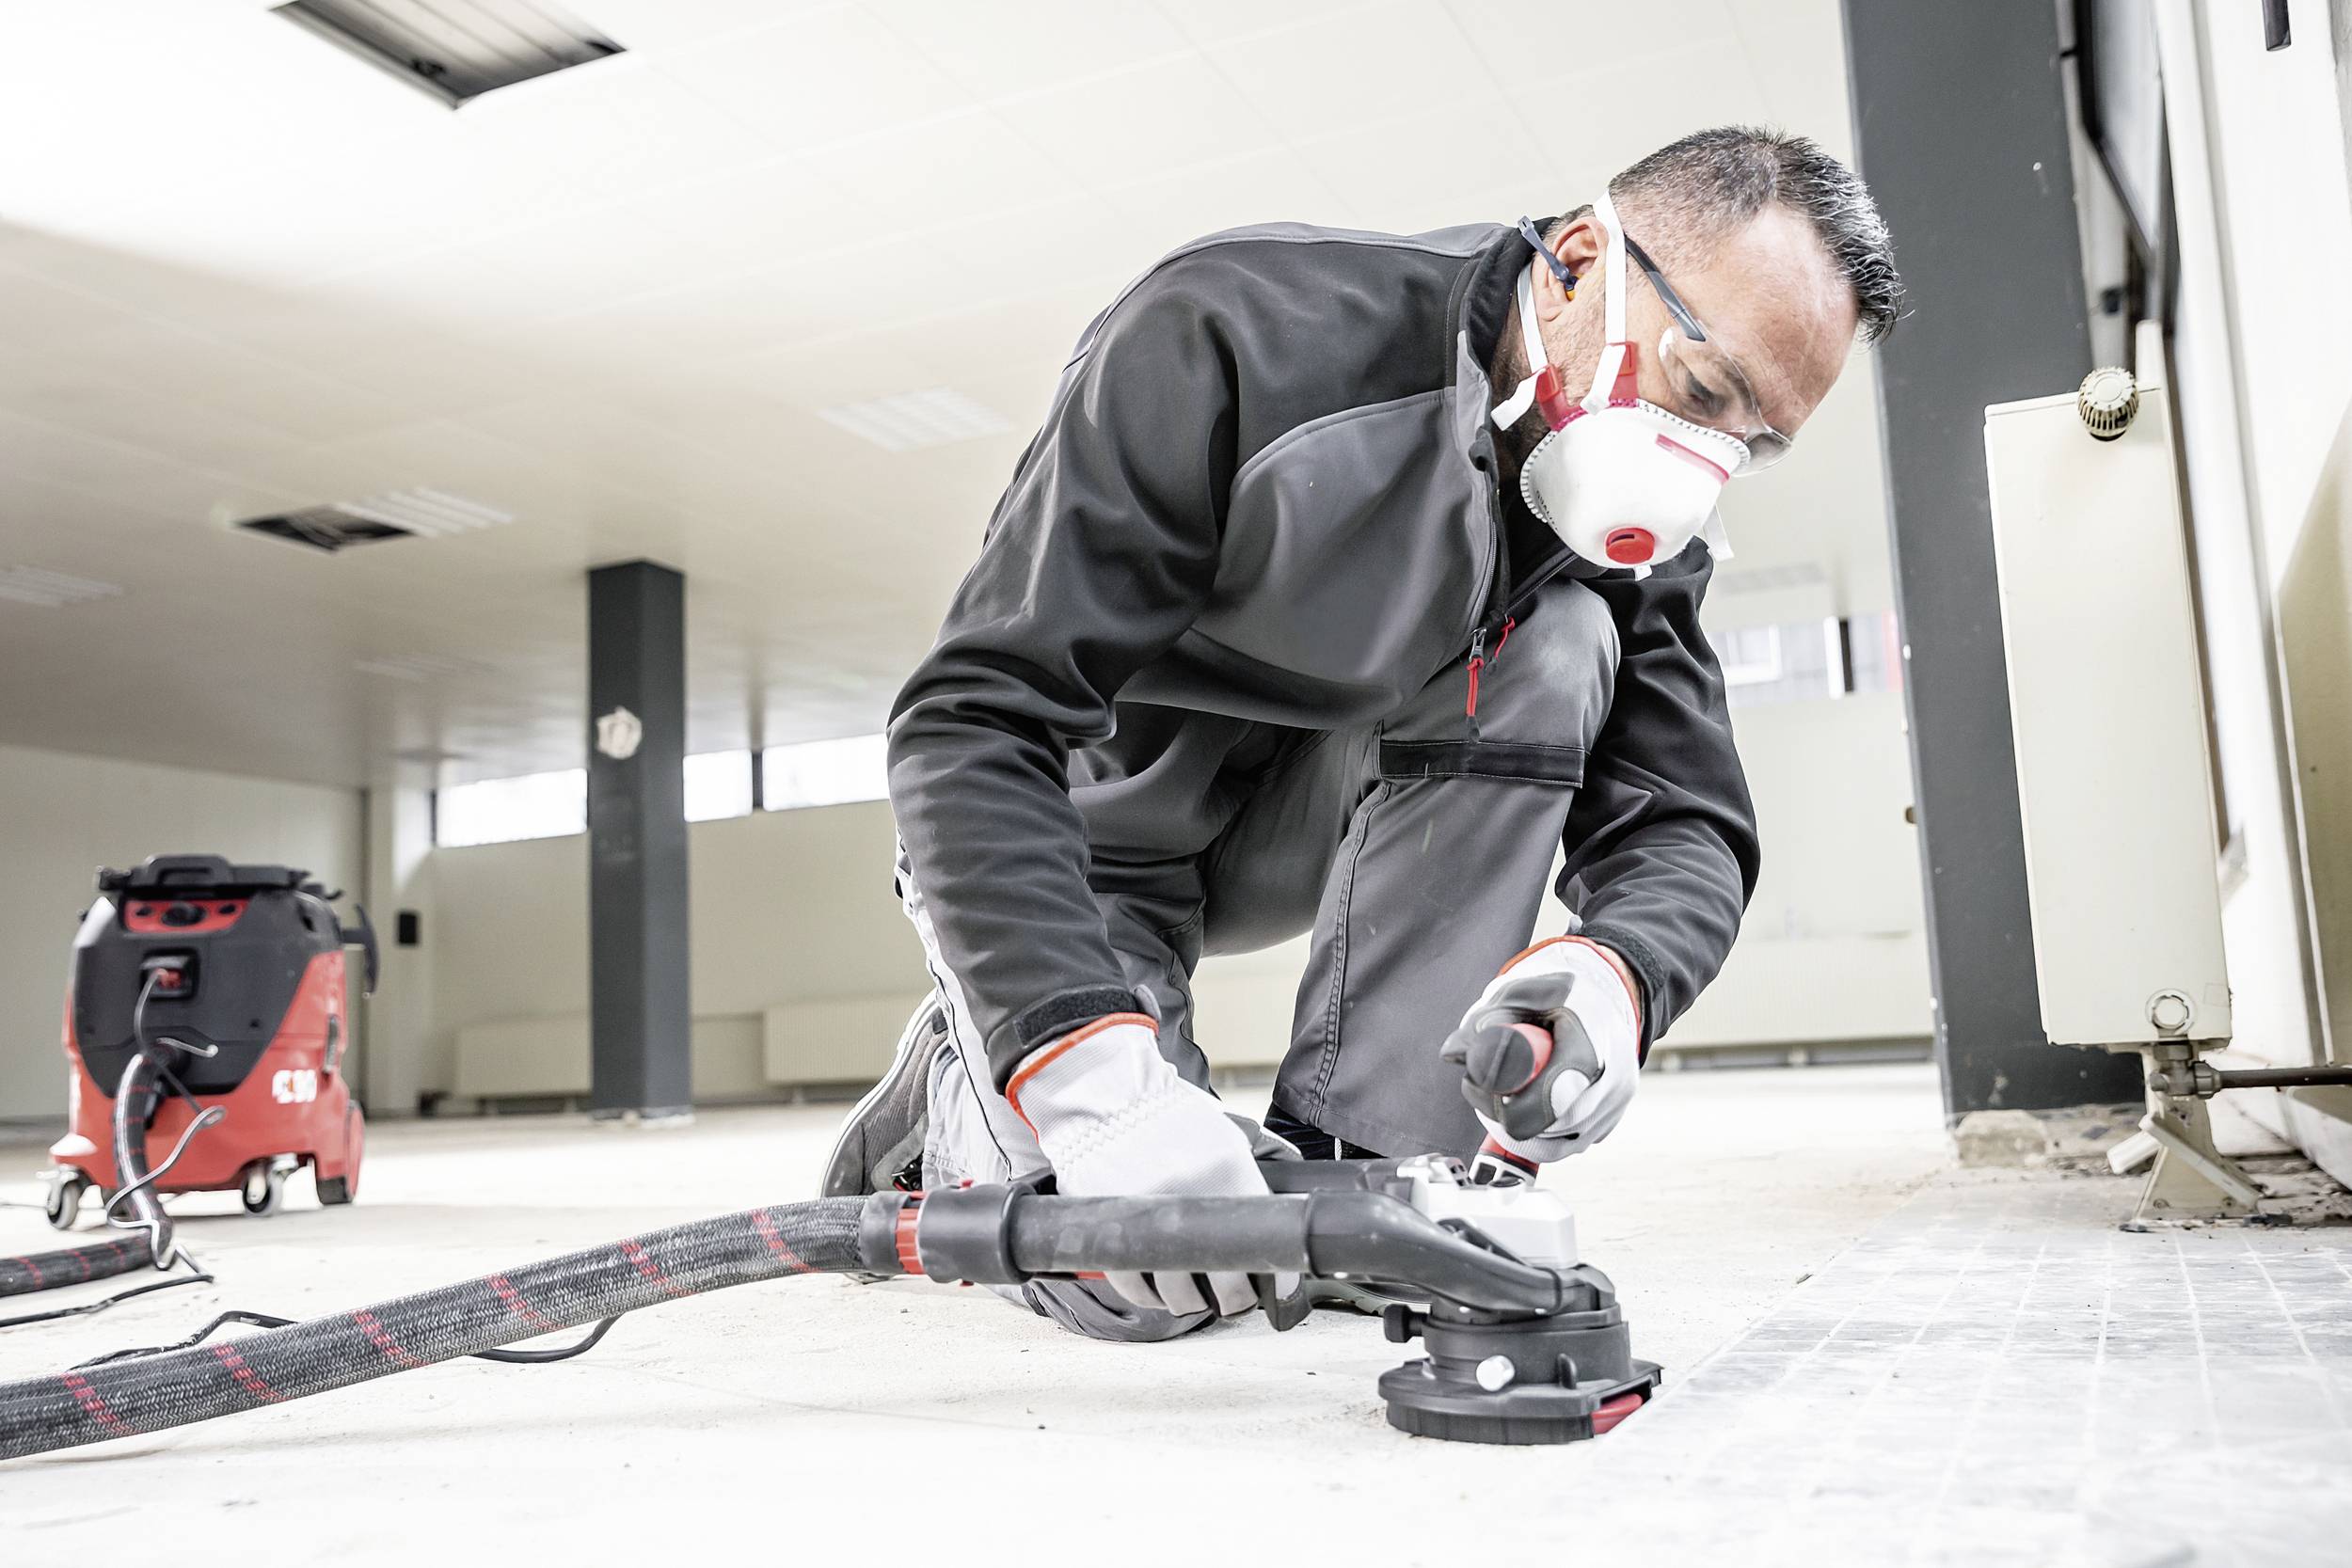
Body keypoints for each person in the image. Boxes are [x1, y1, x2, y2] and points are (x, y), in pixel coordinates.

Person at [822, 126, 1901, 1341]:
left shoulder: (1619, 540)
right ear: (1583, 257)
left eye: (1751, 444)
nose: (1698, 466)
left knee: (1556, 641)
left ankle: (1368, 1151)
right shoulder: (1238, 333)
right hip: (1080, 849)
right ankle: (964, 1089)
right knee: (1148, 1281)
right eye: (1703, 391)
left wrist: (1620, 976)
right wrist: (1081, 1072)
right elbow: (972, 722)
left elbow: (1689, 817)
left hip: (1279, 834)